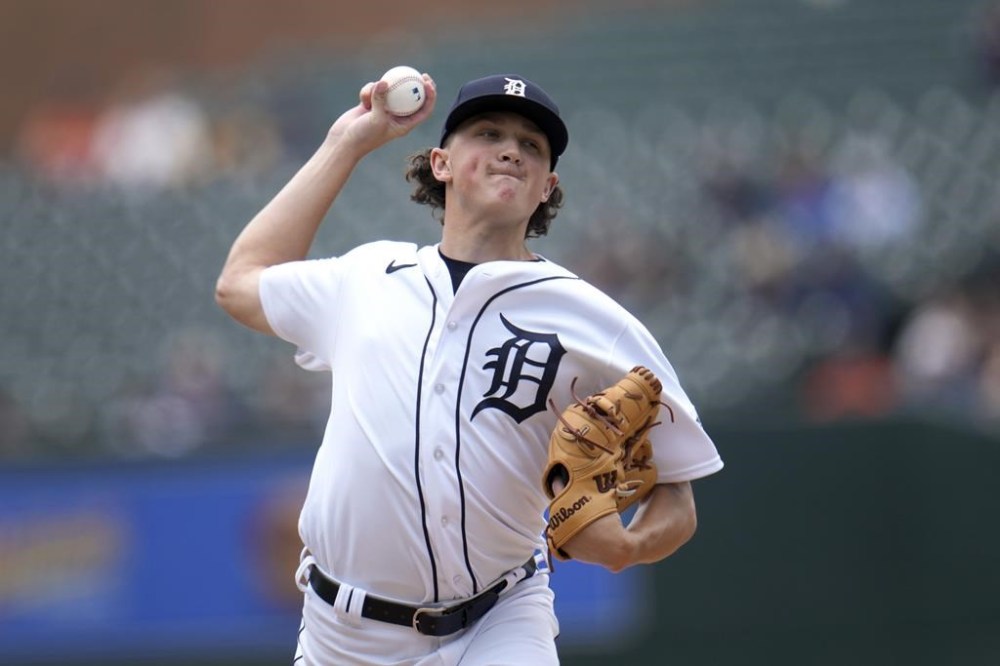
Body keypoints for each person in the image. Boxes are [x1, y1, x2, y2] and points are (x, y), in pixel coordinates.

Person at [215, 71, 724, 665]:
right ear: (441, 163)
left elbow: (677, 490)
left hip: (499, 621)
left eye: (531, 145)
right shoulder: (367, 278)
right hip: (341, 638)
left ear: (547, 187)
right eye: (488, 132)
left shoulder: (593, 320)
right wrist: (345, 144)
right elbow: (239, 284)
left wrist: (630, 546)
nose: (511, 149)